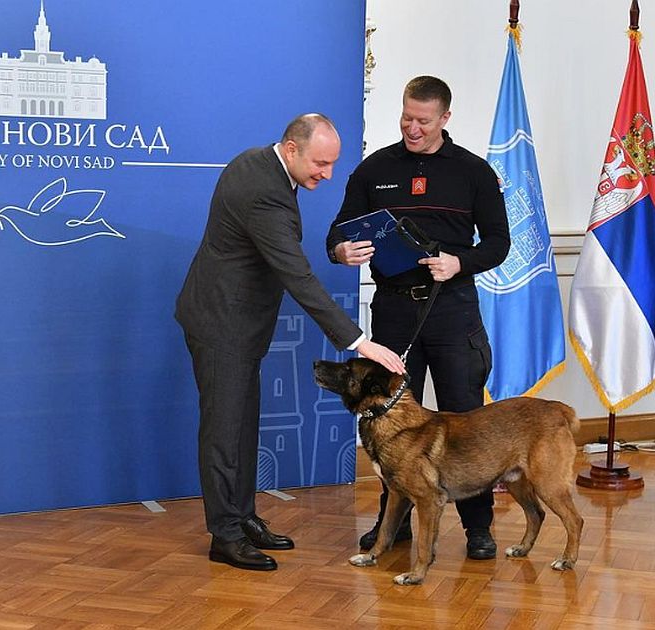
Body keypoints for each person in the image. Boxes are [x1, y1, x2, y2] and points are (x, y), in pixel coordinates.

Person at [176, 114, 404, 572]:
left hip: (237, 321)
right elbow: (296, 275)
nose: (327, 173)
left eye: (333, 164)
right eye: (320, 163)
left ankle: (242, 517)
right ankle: (225, 535)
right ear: (292, 148)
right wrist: (359, 342)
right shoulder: (263, 192)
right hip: (223, 323)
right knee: (224, 432)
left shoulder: (259, 163)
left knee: (241, 425)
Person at [326, 76, 510, 559]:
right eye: (406, 117)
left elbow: (498, 243)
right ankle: (396, 527)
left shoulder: (473, 171)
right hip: (393, 311)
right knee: (391, 418)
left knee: (466, 421)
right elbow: (337, 234)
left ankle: (478, 529)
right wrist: (342, 250)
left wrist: (459, 262)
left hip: (452, 311)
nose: (412, 127)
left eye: (423, 121)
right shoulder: (375, 169)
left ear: (445, 118)